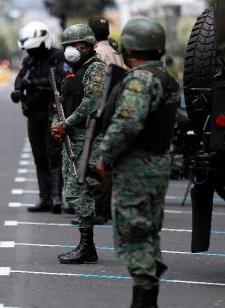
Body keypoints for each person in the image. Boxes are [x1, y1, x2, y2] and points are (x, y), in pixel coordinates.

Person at [96, 18, 179, 307]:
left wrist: (106, 157)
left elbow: (128, 123)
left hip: (136, 170)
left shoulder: (140, 80)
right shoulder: (166, 79)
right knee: (148, 233)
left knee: (134, 236)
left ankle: (143, 300)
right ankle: (147, 298)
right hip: (157, 166)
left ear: (131, 49)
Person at [51, 24, 107, 264]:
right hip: (71, 137)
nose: (68, 50)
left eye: (72, 46)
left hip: (87, 136)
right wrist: (56, 124)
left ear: (85, 46)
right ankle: (87, 245)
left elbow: (91, 103)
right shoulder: (72, 70)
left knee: (79, 190)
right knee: (73, 191)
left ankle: (87, 247)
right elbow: (61, 103)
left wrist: (66, 123)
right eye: (66, 46)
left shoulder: (96, 69)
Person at [11, 21, 65, 214]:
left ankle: (58, 197)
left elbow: (59, 81)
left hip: (52, 112)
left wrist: (31, 83)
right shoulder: (29, 60)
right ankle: (45, 198)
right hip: (33, 113)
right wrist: (18, 90)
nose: (31, 52)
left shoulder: (58, 56)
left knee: (55, 155)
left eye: (34, 48)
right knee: (39, 156)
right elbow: (20, 79)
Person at [85, 15, 125, 225]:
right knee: (109, 159)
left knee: (97, 160)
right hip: (116, 109)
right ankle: (106, 209)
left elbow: (97, 87)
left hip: (102, 111)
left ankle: (100, 210)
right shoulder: (115, 53)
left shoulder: (97, 54)